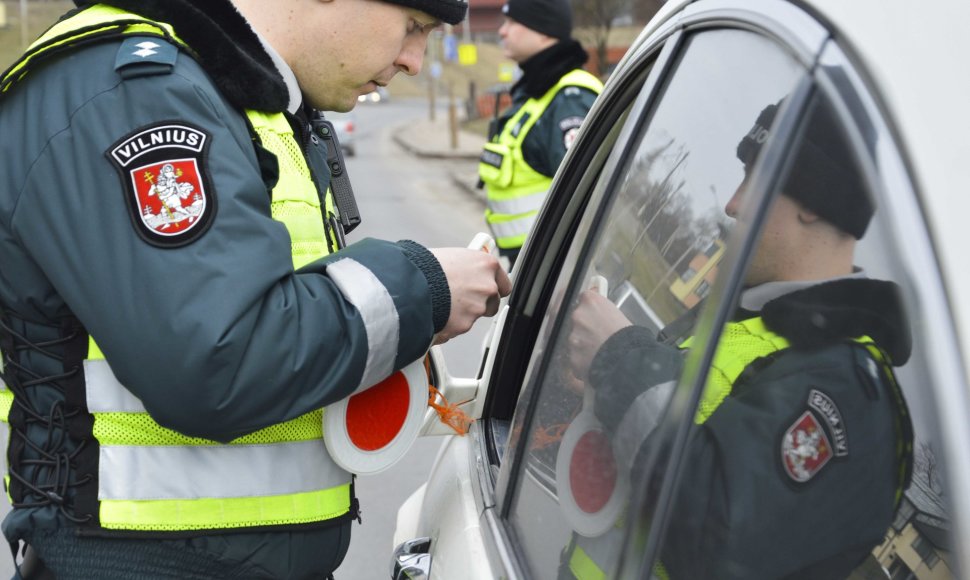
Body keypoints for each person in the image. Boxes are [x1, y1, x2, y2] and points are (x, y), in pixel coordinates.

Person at [0, 0, 511, 578]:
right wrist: (423, 288)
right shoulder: (138, 94)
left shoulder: (231, 93)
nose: (415, 60)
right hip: (139, 561)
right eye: (414, 26)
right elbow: (216, 363)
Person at [559, 97, 914, 579]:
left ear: (811, 198)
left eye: (755, 176)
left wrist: (620, 360)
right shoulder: (750, 319)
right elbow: (663, 433)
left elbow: (720, 535)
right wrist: (602, 390)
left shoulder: (852, 394)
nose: (732, 203)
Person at [477, 0, 603, 268]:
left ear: (544, 30)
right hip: (531, 264)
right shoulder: (538, 91)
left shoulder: (570, 99)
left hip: (554, 269)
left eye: (513, 22)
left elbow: (580, 197)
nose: (502, 31)